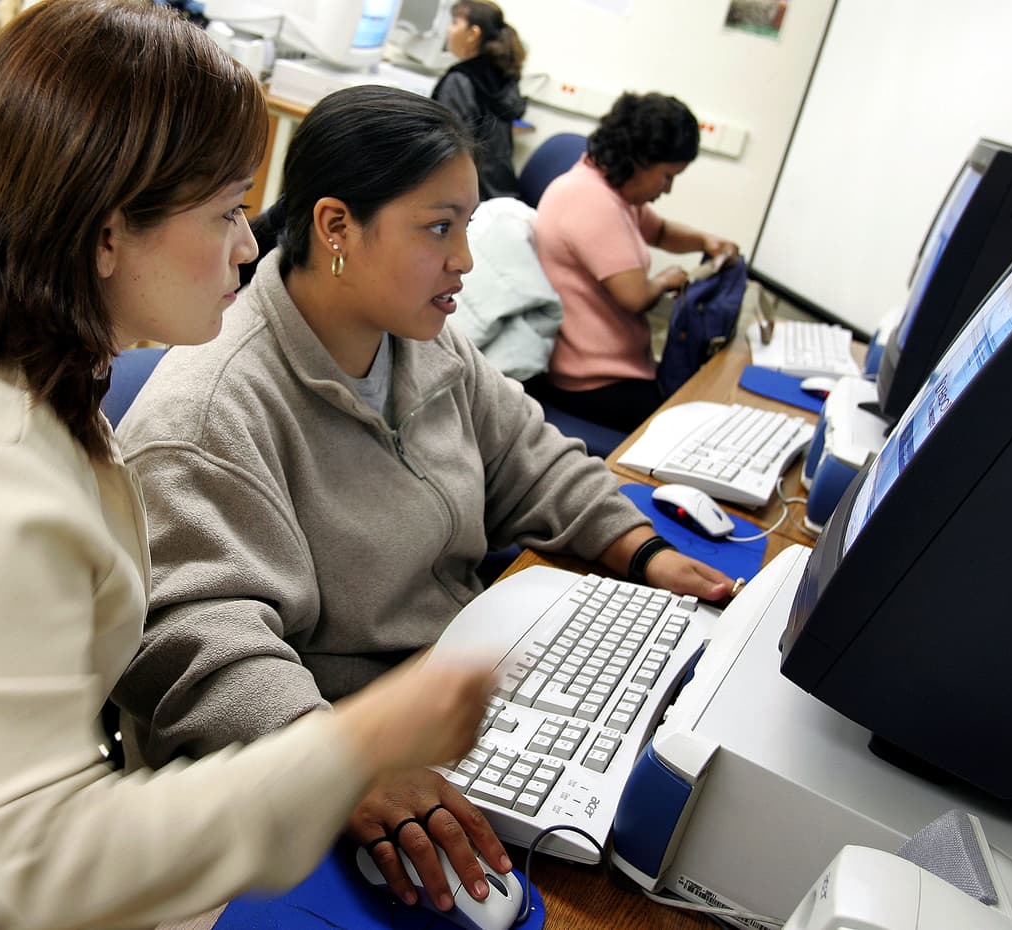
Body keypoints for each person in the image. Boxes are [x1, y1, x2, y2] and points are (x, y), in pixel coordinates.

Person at [0, 3, 493, 929]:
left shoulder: (10, 363)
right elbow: (47, 861)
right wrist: (355, 745)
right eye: (225, 212)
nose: (250, 247)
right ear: (105, 233)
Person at [112, 83, 735, 917]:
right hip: (333, 764)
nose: (466, 261)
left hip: (445, 708)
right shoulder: (212, 410)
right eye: (439, 227)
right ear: (335, 227)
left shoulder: (425, 342)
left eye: (469, 225)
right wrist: (343, 760)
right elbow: (197, 636)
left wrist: (641, 547)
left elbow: (528, 453)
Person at [533, 92, 741, 433]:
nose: (669, 188)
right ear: (641, 159)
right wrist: (664, 280)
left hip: (617, 368)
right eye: (668, 176)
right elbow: (635, 296)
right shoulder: (590, 200)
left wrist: (705, 241)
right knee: (698, 426)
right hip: (593, 381)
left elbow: (658, 231)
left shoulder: (607, 185)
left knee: (702, 404)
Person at [431, 0, 527, 201]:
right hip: (500, 191)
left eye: (455, 22)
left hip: (469, 197)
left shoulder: (460, 79)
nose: (449, 29)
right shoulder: (503, 75)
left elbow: (446, 149)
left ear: (473, 34)